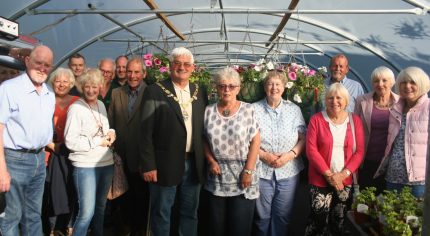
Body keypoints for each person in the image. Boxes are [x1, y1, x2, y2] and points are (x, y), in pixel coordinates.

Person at [140, 47, 208, 236]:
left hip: (193, 163)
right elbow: (145, 131)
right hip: (164, 164)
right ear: (170, 66)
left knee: (190, 212)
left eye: (187, 64)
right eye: (177, 63)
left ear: (193, 68)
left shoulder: (199, 91)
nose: (182, 67)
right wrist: (148, 165)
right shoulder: (155, 91)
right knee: (162, 212)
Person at [0, 45, 55, 235]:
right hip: (14, 160)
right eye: (38, 62)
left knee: (33, 214)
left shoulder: (49, 94)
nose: (42, 68)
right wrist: (2, 170)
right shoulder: (9, 89)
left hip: (39, 160)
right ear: (27, 61)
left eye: (47, 65)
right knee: (11, 217)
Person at [204, 67, 260, 236]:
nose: (226, 89)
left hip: (243, 178)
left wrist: (248, 171)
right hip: (216, 178)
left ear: (239, 88)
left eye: (231, 86)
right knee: (216, 228)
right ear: (216, 87)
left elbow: (256, 141)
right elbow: (203, 139)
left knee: (240, 229)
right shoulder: (208, 111)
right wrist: (211, 161)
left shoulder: (248, 110)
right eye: (222, 86)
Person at [305, 83, 365, 235]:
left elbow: (359, 151)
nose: (334, 101)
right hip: (320, 179)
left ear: (346, 101)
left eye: (339, 98)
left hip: (344, 181)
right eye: (330, 98)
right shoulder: (316, 120)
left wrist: (343, 175)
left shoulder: (355, 121)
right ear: (325, 100)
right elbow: (311, 150)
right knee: (317, 221)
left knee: (338, 221)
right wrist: (330, 175)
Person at [253, 71, 306, 236]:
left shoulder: (294, 110)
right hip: (261, 170)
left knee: (282, 216)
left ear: (284, 87)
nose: (274, 88)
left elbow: (303, 138)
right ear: (264, 87)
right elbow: (247, 139)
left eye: (278, 84)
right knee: (261, 216)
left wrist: (289, 155)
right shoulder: (253, 109)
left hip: (288, 171)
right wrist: (264, 155)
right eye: (270, 84)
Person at [64, 68, 116, 236]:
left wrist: (111, 132)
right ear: (81, 87)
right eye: (87, 86)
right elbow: (70, 141)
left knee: (100, 208)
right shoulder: (76, 108)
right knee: (86, 213)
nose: (91, 90)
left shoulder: (100, 104)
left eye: (95, 86)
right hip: (85, 166)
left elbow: (104, 128)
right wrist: (97, 141)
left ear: (100, 86)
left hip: (106, 163)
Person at [374, 67, 430, 198]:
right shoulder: (396, 108)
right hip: (393, 176)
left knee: (416, 217)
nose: (407, 86)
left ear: (421, 84)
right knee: (391, 216)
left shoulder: (427, 107)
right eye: (403, 83)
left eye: (412, 82)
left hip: (418, 180)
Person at [108, 57, 148, 235]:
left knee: (141, 197)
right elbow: (110, 123)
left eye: (137, 72)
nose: (132, 75)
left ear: (144, 74)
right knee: (122, 197)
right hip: (120, 157)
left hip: (142, 157)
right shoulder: (117, 93)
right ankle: (125, 228)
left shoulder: (152, 93)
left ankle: (139, 229)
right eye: (130, 71)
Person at [43, 68, 79, 235]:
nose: (62, 84)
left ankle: (68, 225)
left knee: (72, 190)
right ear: (52, 82)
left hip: (72, 155)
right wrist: (52, 145)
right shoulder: (45, 100)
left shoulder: (78, 102)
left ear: (71, 83)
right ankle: (50, 228)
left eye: (66, 81)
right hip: (50, 154)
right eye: (58, 81)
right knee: (51, 193)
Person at [354, 66, 399, 194]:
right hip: (367, 159)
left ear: (392, 82)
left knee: (387, 201)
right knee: (366, 200)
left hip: (390, 162)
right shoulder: (362, 101)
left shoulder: (400, 103)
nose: (380, 84)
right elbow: (353, 128)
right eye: (376, 81)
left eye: (384, 80)